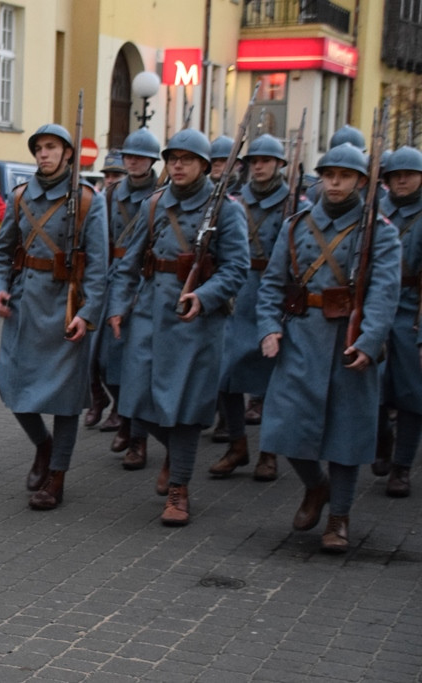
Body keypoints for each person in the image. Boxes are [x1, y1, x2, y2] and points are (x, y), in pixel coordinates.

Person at [257, 143, 399, 551]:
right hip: (300, 336)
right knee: (283, 427)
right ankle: (315, 486)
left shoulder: (380, 231)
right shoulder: (297, 225)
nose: (335, 183)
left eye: (345, 176)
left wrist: (369, 342)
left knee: (346, 433)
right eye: (329, 175)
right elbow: (271, 286)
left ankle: (339, 518)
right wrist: (269, 327)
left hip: (348, 342)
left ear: (360, 181)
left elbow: (384, 295)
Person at [107, 129, 249, 526]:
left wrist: (205, 296)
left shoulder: (226, 209)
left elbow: (237, 268)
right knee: (138, 404)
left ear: (204, 165)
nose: (179, 166)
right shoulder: (154, 204)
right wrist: (118, 306)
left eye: (187, 159)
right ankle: (177, 456)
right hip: (150, 315)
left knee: (184, 409)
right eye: (173, 159)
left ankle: (179, 490)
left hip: (196, 322)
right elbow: (129, 262)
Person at [0, 123, 109, 510]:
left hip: (66, 306)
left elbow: (100, 267)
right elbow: (1, 250)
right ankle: (43, 445)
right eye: (39, 147)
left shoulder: (90, 200)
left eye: (52, 147)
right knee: (10, 385)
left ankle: (57, 475)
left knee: (65, 399)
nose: (44, 153)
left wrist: (88, 314)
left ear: (67, 153)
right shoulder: (21, 195)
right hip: (24, 304)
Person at [210, 134, 310, 481]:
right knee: (225, 376)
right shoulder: (233, 200)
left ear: (280, 165)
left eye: (267, 161)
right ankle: (237, 445)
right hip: (238, 292)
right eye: (254, 161)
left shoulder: (297, 204)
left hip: (275, 295)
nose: (260, 166)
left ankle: (268, 453)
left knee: (271, 382)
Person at [96, 128, 161, 466]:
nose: (133, 161)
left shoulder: (163, 194)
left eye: (140, 156)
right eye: (128, 156)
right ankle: (122, 411)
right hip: (114, 281)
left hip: (150, 282)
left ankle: (138, 438)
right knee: (107, 362)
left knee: (140, 365)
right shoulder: (109, 195)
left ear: (152, 160)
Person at [373, 146, 422, 497]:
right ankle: (380, 438)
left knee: (411, 393)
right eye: (395, 174)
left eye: (409, 174)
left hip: (412, 309)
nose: (401, 179)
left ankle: (402, 466)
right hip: (378, 303)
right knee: (370, 381)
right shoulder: (375, 212)